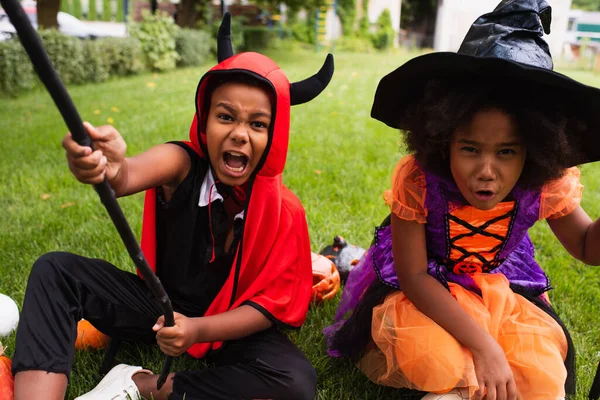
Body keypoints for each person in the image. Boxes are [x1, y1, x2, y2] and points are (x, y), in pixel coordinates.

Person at [11, 14, 334, 400]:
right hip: (158, 309)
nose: (239, 134)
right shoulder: (183, 164)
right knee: (55, 271)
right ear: (204, 120)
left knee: (295, 384)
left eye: (258, 124)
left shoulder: (286, 212)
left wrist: (197, 330)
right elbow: (127, 174)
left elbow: (267, 307)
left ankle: (142, 385)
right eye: (225, 116)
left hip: (232, 327)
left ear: (275, 135)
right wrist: (111, 168)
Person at [324, 1, 600, 399]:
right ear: (443, 140)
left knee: (540, 377)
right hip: (425, 290)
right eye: (470, 149)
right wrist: (484, 347)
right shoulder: (419, 179)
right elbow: (415, 278)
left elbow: (589, 245)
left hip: (497, 290)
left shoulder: (543, 184)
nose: (486, 170)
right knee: (440, 361)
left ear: (535, 151)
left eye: (507, 152)